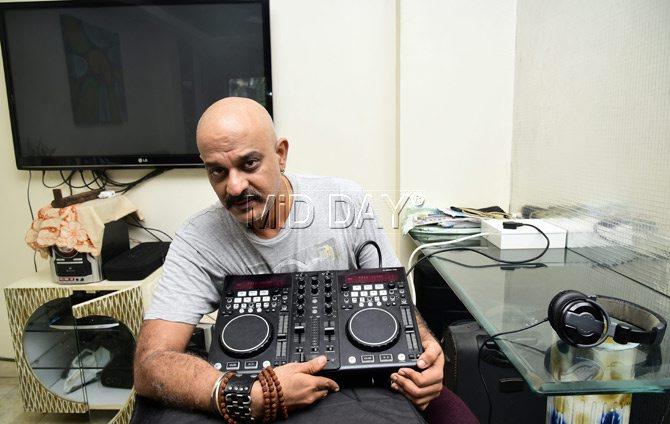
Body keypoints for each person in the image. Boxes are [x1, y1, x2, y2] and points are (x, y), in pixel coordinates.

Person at [132, 98, 462, 424]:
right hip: (252, 388)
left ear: (280, 154)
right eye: (218, 171)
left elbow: (393, 302)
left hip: (354, 388)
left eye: (249, 164)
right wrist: (244, 396)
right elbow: (150, 365)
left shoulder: (345, 203)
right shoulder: (198, 239)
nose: (234, 186)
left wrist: (427, 347)